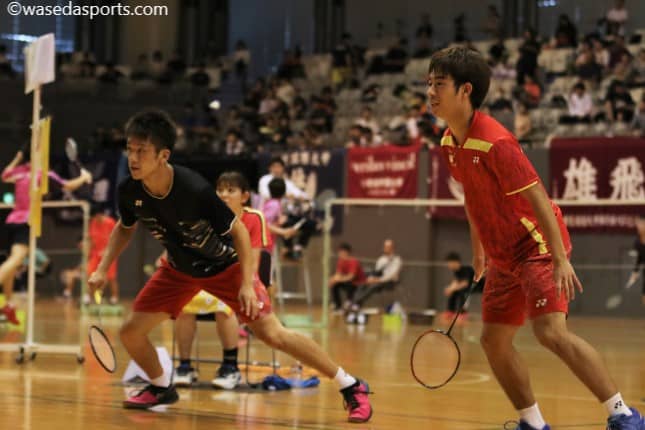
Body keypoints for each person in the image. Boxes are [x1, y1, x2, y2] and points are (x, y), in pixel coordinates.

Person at [87, 110, 372, 422]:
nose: (133, 158)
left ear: (163, 155)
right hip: (179, 270)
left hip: (226, 267)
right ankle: (160, 387)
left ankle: (350, 385)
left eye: (141, 151)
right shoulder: (130, 190)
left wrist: (247, 283)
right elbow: (125, 228)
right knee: (131, 332)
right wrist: (102, 268)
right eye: (130, 149)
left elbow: (239, 233)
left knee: (273, 334)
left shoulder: (193, 189)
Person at [427, 46, 644, 429]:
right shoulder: (449, 143)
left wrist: (559, 258)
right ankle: (533, 423)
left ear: (465, 90)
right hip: (502, 255)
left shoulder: (497, 143)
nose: (430, 92)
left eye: (439, 84)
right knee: (494, 340)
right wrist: (479, 252)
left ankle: (623, 414)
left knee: (550, 332)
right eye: (429, 83)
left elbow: (539, 200)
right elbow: (473, 199)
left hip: (536, 245)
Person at [173, 171, 272, 389]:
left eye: (230, 190)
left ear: (244, 196)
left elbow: (254, 262)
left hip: (243, 281)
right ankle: (185, 366)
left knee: (222, 307)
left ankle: (230, 367)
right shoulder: (208, 217)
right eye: (219, 190)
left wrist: (245, 285)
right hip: (211, 279)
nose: (224, 195)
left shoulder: (254, 218)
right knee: (183, 306)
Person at [1, 147, 92, 324]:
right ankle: (8, 304)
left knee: (12, 264)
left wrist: (17, 157)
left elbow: (4, 175)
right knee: (15, 261)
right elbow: (68, 185)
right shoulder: (42, 174)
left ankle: (9, 304)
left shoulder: (20, 171)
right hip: (25, 221)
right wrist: (84, 177)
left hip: (10, 221)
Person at [350, 239, 402, 310]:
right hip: (380, 278)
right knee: (363, 280)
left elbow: (390, 276)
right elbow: (377, 272)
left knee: (373, 286)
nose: (385, 248)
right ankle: (356, 303)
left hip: (390, 282)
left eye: (387, 247)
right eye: (385, 246)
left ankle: (354, 302)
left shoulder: (397, 260)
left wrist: (377, 280)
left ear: (392, 248)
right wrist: (371, 278)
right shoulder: (381, 259)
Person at [85, 203, 120, 305]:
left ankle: (114, 298)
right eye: (94, 217)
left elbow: (116, 238)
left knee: (111, 277)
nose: (96, 219)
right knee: (90, 275)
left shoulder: (110, 222)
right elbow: (91, 239)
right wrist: (88, 253)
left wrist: (107, 250)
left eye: (97, 216)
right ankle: (88, 297)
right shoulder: (93, 223)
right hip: (95, 254)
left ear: (101, 214)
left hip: (109, 254)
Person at [329, 243, 366, 312]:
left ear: (346, 252)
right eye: (339, 252)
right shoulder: (340, 261)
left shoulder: (353, 261)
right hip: (348, 282)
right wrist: (333, 279)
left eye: (341, 252)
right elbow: (338, 274)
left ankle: (349, 302)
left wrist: (338, 279)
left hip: (358, 283)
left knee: (349, 284)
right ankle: (337, 305)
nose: (339, 253)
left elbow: (351, 277)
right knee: (335, 285)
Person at [442, 252, 474, 321]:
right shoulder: (457, 271)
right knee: (454, 292)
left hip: (478, 286)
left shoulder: (465, 269)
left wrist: (452, 289)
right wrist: (450, 289)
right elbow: (456, 281)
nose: (448, 265)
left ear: (455, 262)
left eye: (449, 263)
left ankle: (463, 313)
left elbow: (465, 283)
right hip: (468, 287)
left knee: (463, 292)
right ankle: (450, 311)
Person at [629, 215, 645, 306]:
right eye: (637, 224)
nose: (638, 226)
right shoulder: (637, 242)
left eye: (641, 224)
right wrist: (635, 272)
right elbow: (639, 259)